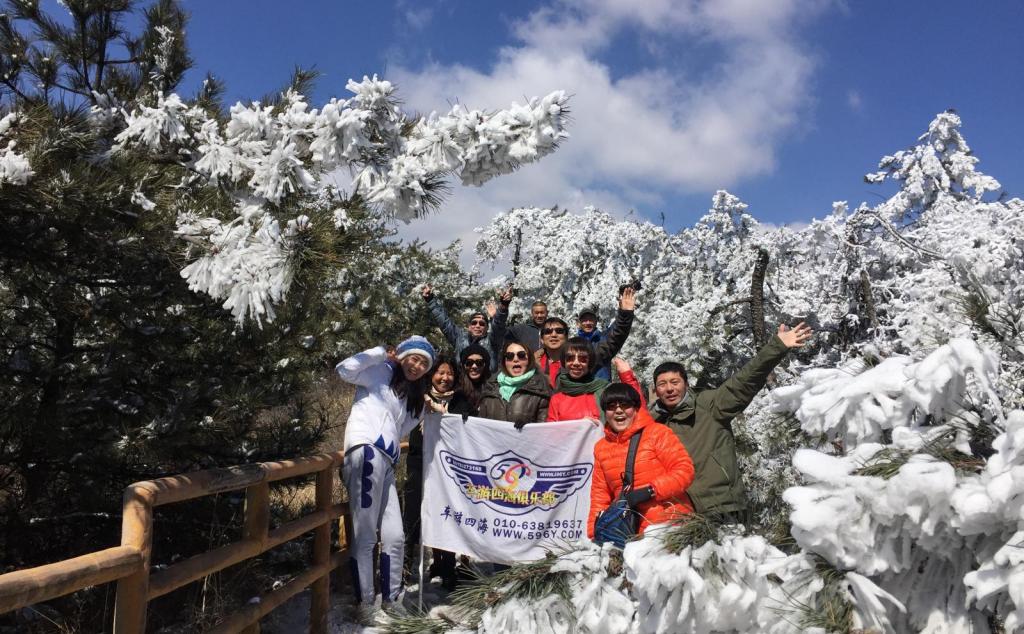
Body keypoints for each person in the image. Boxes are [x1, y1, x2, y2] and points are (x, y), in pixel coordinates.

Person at [649, 322, 813, 519]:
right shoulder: (654, 423)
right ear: (655, 390)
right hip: (681, 514)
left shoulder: (708, 405)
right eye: (662, 384)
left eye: (675, 382)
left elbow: (744, 382)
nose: (669, 389)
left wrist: (777, 346)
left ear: (686, 384)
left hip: (721, 507)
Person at [336, 336, 435, 608]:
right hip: (366, 452)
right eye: (414, 358)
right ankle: (365, 605)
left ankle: (392, 601)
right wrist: (379, 353)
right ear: (402, 356)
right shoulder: (380, 372)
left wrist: (423, 411)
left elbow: (401, 428)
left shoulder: (406, 392)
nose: (417, 366)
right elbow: (344, 369)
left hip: (387, 462)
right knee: (366, 535)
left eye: (423, 364)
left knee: (395, 536)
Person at [588, 383, 695, 541]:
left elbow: (685, 470)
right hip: (630, 534)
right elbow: (599, 495)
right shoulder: (601, 448)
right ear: (605, 412)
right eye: (611, 406)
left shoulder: (657, 433)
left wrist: (651, 491)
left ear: (636, 408)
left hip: (670, 526)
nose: (618, 410)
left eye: (625, 405)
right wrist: (594, 534)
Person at [404, 355, 461, 590]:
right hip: (419, 463)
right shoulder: (417, 398)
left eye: (449, 374)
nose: (445, 378)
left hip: (447, 467)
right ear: (431, 375)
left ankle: (446, 568)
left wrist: (445, 415)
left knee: (445, 515)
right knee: (412, 514)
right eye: (440, 373)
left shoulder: (459, 401)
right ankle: (405, 568)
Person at [537, 286, 638, 387]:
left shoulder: (583, 357)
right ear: (541, 339)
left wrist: (625, 314)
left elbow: (614, 337)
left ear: (566, 336)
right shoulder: (531, 363)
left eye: (559, 331)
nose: (553, 334)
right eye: (548, 331)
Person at [422, 283, 510, 372]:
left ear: (487, 328)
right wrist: (430, 300)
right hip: (462, 383)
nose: (478, 325)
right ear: (469, 326)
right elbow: (444, 322)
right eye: (474, 323)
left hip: (486, 384)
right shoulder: (459, 338)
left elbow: (499, 327)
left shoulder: (492, 341)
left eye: (482, 324)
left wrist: (503, 307)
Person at [546, 346, 644, 422]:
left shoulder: (605, 390)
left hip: (605, 446)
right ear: (564, 362)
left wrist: (628, 378)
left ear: (590, 362)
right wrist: (579, 427)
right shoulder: (557, 399)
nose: (576, 363)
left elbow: (637, 413)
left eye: (582, 359)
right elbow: (552, 435)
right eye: (570, 358)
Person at [477, 340, 552, 427]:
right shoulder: (490, 388)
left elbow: (543, 430)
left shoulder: (541, 389)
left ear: (530, 360)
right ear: (504, 361)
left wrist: (529, 427)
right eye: (510, 356)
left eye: (521, 355)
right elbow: (481, 427)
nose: (515, 359)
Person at [454, 343, 491, 416]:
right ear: (464, 366)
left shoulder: (493, 388)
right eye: (469, 363)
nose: (474, 366)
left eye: (479, 363)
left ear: (485, 365)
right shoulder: (455, 387)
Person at [575, 307, 612, 379]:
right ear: (579, 323)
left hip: (602, 385)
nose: (588, 323)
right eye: (584, 320)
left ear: (595, 322)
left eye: (591, 320)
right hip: (581, 385)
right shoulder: (576, 343)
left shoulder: (604, 339)